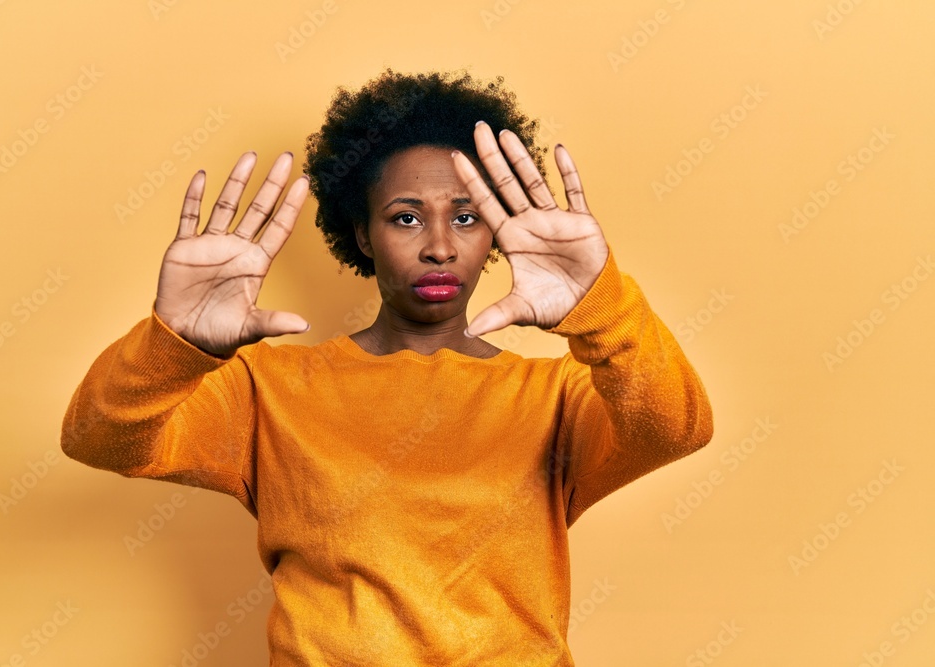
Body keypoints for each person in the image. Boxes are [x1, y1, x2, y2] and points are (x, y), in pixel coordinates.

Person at [61, 68, 714, 665]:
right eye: (406, 217)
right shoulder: (269, 391)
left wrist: (601, 304)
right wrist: (174, 339)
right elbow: (98, 436)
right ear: (365, 233)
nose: (438, 245)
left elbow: (675, 426)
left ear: (494, 231)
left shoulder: (554, 397)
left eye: (465, 216)